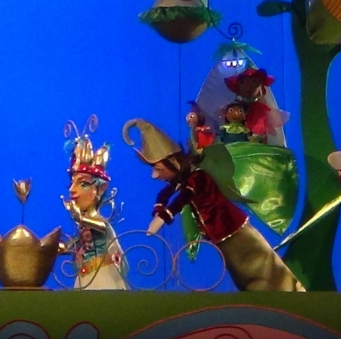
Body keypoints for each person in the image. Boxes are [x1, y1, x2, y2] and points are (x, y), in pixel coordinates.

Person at [123, 118, 303, 292]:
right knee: (240, 272)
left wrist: (163, 217)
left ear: (174, 162)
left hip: (233, 229)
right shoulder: (182, 179)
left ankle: (287, 291)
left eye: (158, 169)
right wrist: (159, 209)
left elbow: (184, 197)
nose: (155, 175)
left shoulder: (197, 177)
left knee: (256, 265)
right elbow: (164, 194)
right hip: (220, 234)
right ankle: (260, 296)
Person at [60, 117, 126, 290]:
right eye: (72, 184)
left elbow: (103, 228)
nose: (72, 190)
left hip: (102, 276)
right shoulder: (84, 223)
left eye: (83, 184)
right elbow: (80, 242)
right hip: (84, 277)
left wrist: (80, 218)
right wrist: (64, 247)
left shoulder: (98, 222)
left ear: (101, 189)